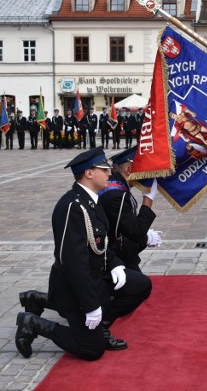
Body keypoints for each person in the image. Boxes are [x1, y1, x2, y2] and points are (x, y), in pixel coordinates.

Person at [14, 147, 152, 360]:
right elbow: (73, 263)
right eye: (104, 169)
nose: (109, 173)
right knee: (92, 350)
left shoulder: (91, 200)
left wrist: (114, 263)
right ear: (89, 173)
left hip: (96, 275)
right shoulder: (73, 207)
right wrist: (91, 306)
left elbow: (101, 243)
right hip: (74, 287)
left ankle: (100, 323)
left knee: (140, 284)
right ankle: (33, 324)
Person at [98, 147, 162, 272]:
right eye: (142, 168)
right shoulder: (117, 195)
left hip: (116, 252)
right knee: (142, 286)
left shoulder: (118, 186)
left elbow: (126, 226)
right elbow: (135, 233)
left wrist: (145, 237)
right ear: (129, 170)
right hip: (112, 259)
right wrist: (148, 198)